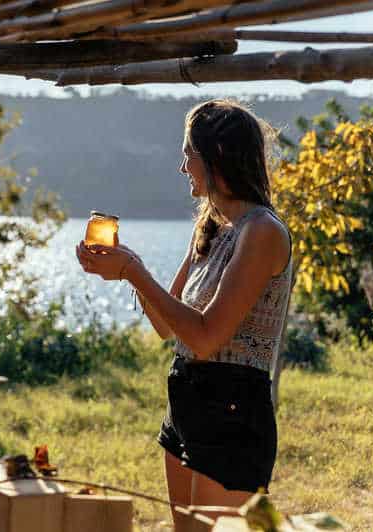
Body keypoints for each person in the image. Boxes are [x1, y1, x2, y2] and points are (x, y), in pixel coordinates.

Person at [76, 99, 291, 530]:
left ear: (218, 157)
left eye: (187, 155)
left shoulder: (262, 231)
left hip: (232, 410)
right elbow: (164, 325)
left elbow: (207, 336)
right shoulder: (213, 227)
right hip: (188, 400)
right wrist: (130, 270)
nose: (182, 167)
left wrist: (134, 272)